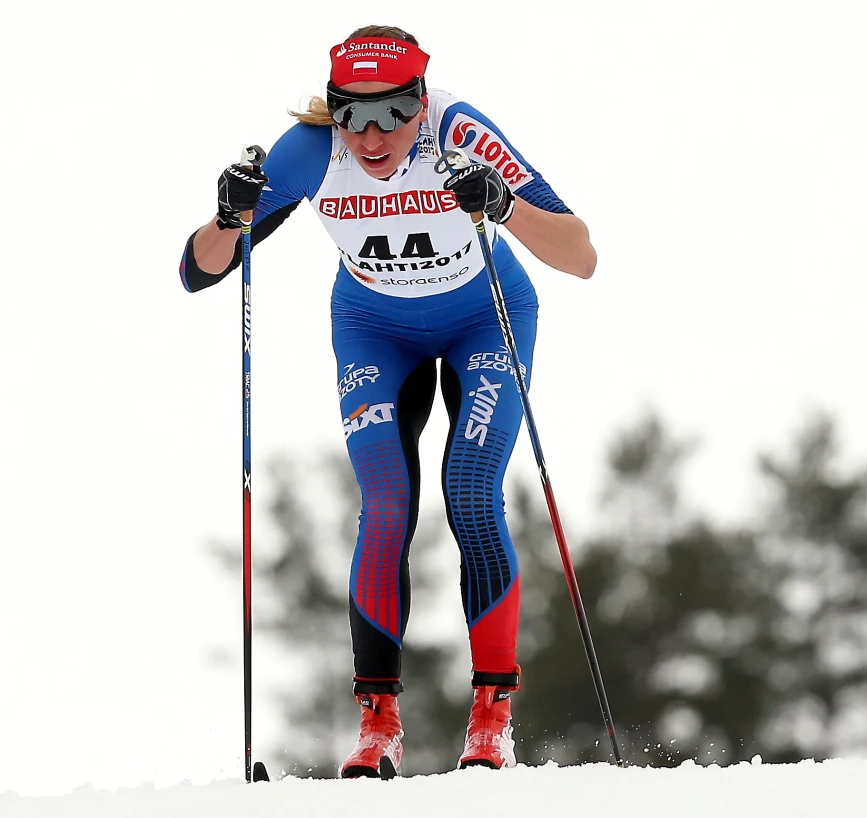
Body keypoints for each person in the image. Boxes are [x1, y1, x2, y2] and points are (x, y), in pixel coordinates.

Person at [180, 24, 595, 777]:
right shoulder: (309, 152)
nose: (371, 135)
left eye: (393, 112)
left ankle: (491, 721)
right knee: (385, 496)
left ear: (421, 101)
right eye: (352, 113)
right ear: (331, 108)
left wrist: (501, 203)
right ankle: (377, 727)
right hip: (375, 328)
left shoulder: (459, 131)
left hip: (484, 320)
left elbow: (580, 254)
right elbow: (200, 270)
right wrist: (227, 214)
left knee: (471, 490)